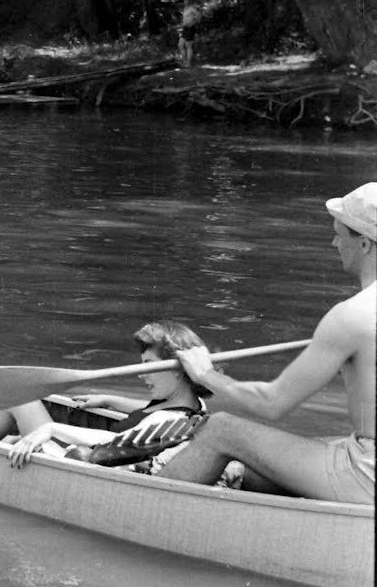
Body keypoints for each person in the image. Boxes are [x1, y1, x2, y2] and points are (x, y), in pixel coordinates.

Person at [158, 183, 376, 502]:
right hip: (364, 455)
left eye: (339, 233)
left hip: (367, 475)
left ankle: (132, 508)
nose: (334, 242)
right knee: (274, 455)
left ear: (366, 244)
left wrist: (205, 374)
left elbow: (271, 403)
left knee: (221, 428)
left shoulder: (352, 317)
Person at [0, 321, 210, 471]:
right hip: (83, 450)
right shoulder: (190, 404)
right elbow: (148, 412)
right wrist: (109, 399)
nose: (141, 374)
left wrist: (51, 429)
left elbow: (111, 442)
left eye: (148, 365)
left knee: (19, 398)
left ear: (176, 369)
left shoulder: (164, 421)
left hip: (74, 459)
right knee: (11, 440)